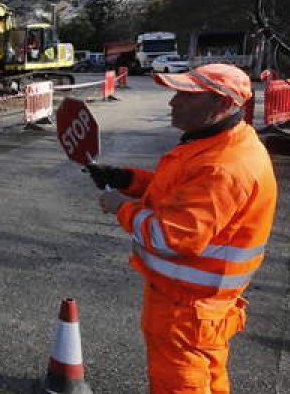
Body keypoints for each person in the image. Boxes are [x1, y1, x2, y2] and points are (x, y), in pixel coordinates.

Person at [87, 63, 277, 393]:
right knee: (209, 377)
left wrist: (121, 206)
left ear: (222, 105)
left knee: (180, 383)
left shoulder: (223, 168)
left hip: (185, 308)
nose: (173, 102)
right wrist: (127, 179)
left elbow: (170, 237)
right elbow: (179, 194)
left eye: (187, 96)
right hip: (204, 305)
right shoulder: (221, 145)